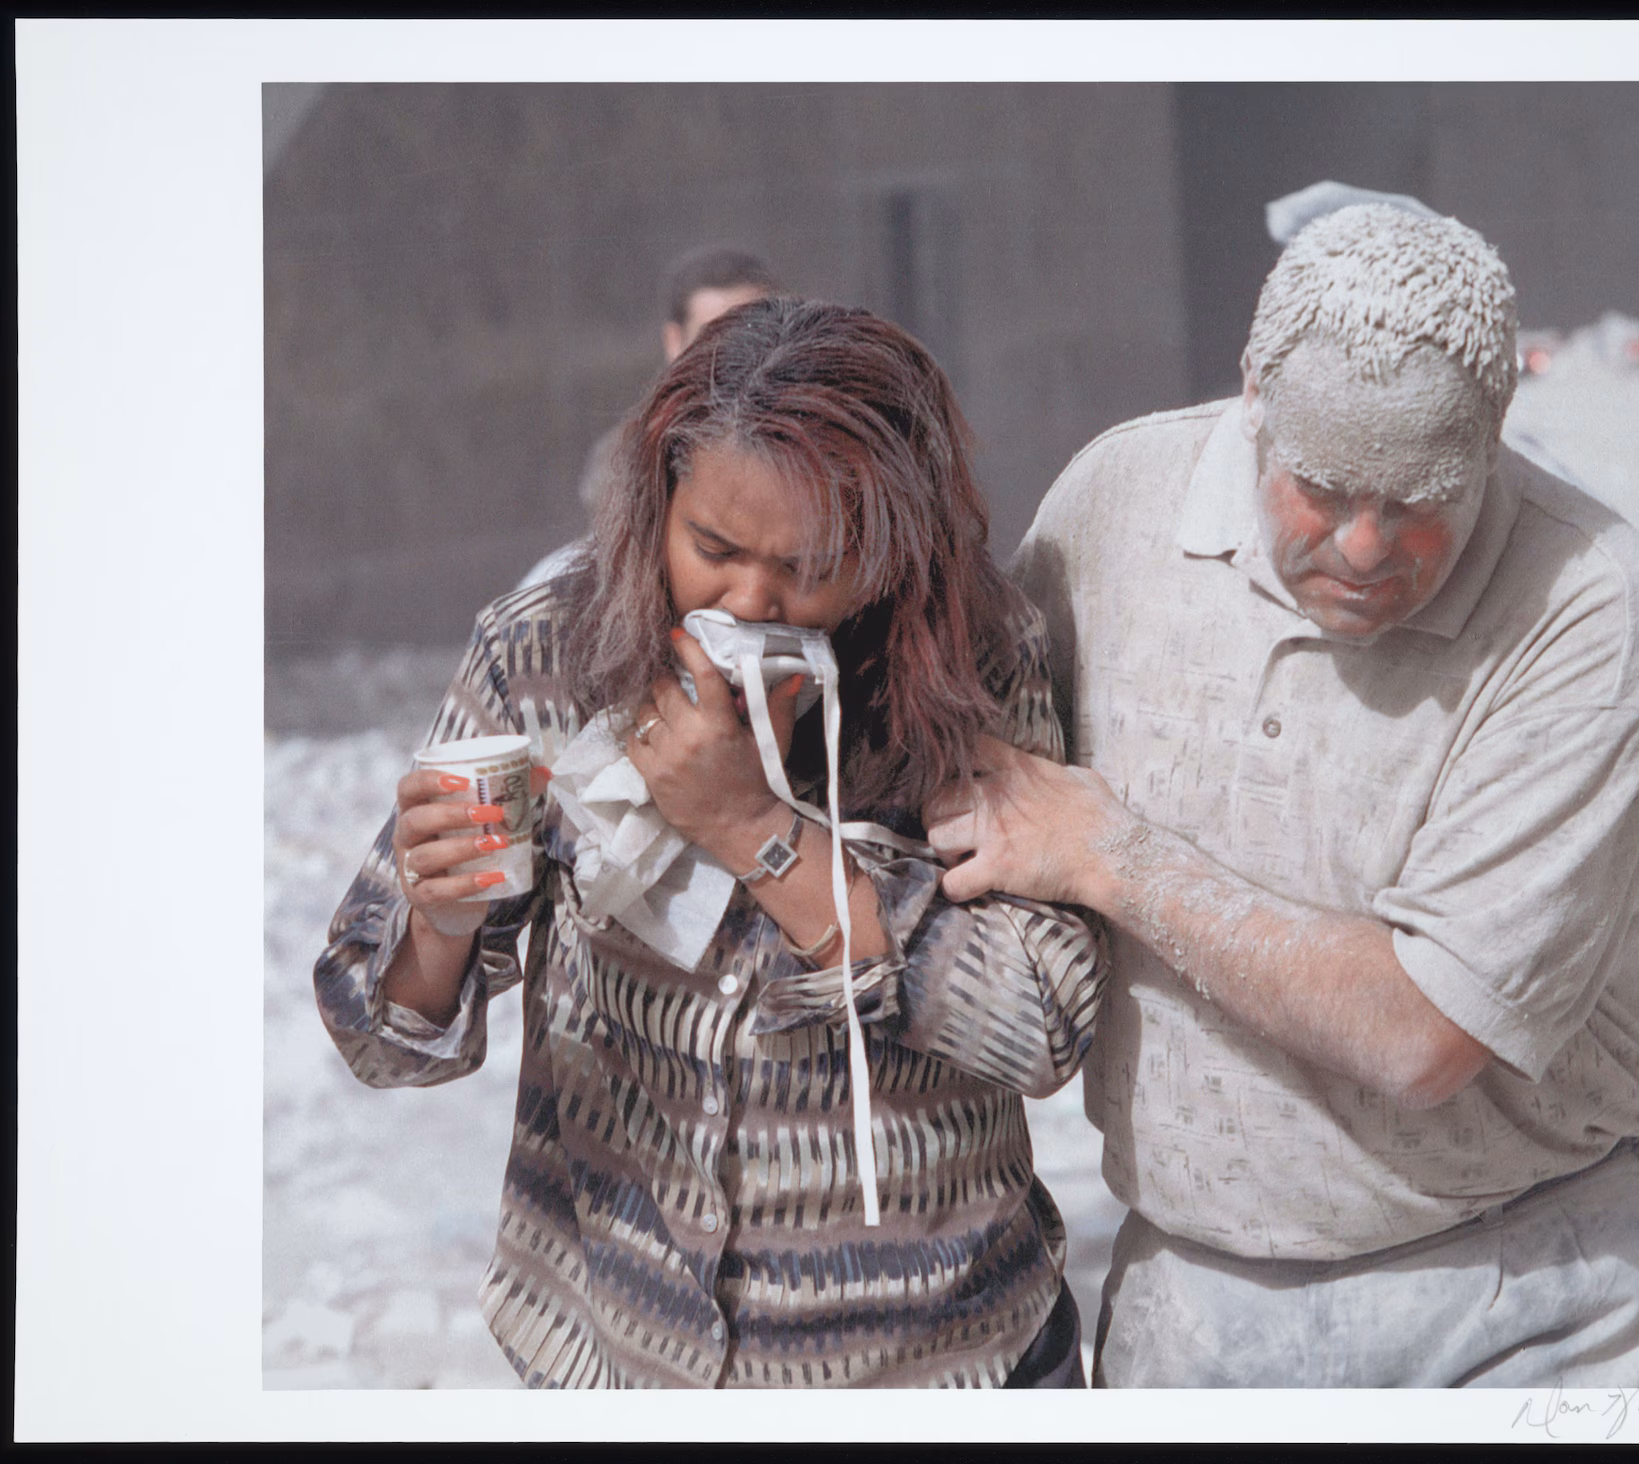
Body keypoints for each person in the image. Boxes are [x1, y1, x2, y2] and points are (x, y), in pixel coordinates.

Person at [922, 203, 1639, 1388]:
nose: (1364, 544)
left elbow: (1422, 1033)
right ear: (1250, 394)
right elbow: (976, 775)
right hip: (1190, 1298)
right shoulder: (1115, 505)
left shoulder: (1588, 609)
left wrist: (1110, 855)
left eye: (1421, 497)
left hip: (1522, 1295)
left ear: (1495, 432)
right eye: (1321, 486)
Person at [316, 297, 1104, 1389]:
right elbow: (381, 1038)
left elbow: (1044, 1023)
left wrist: (753, 827)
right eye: (714, 548)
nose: (751, 598)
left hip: (933, 1358)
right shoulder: (546, 653)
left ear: (898, 544)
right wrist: (440, 924)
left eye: (814, 561)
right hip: (613, 1349)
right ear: (656, 507)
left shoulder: (971, 669)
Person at [519, 247, 783, 589]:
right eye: (713, 335)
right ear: (675, 341)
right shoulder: (629, 461)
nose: (737, 350)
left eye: (754, 329)